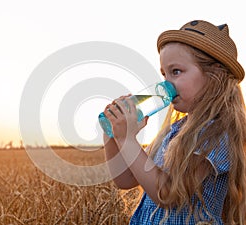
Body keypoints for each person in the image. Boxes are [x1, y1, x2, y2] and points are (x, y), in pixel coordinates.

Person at [103, 20, 246, 224]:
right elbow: (124, 180)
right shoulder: (174, 132)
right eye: (164, 73)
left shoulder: (216, 135)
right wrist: (112, 134)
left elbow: (167, 193)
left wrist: (127, 140)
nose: (166, 83)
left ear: (215, 76)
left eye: (176, 71)